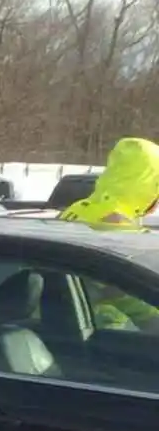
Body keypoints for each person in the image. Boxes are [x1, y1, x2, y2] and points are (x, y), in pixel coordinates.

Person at [59, 136, 159, 331]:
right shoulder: (116, 224)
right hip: (98, 329)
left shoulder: (79, 208)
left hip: (66, 317)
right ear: (149, 187)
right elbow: (131, 290)